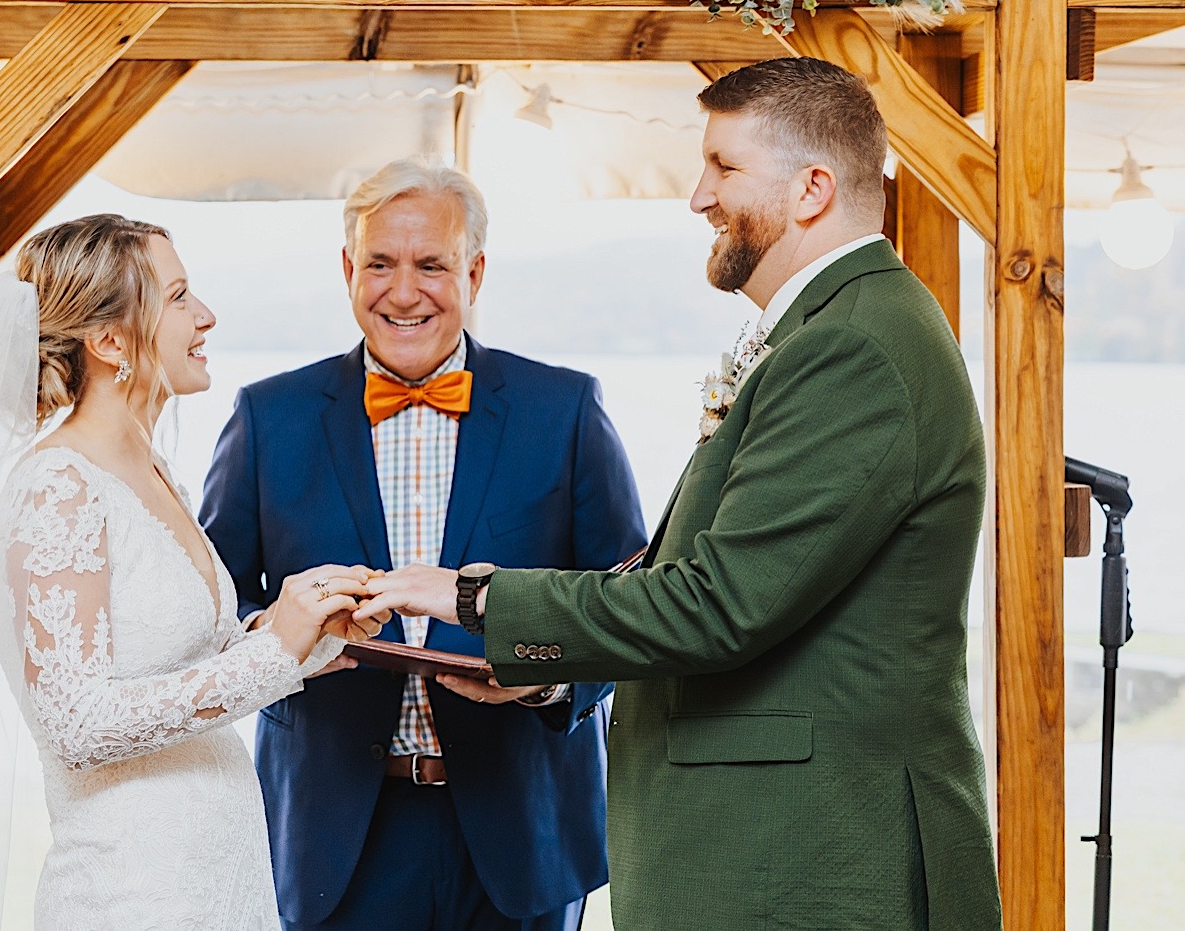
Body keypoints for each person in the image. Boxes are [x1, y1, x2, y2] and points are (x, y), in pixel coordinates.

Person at [355, 59, 1004, 930]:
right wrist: (544, 667)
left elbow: (718, 603)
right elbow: (701, 573)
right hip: (773, 850)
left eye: (724, 168)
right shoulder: (828, 330)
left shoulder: (854, 347)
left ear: (812, 189)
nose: (699, 197)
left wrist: (473, 595)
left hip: (812, 859)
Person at [0, 214, 389, 929]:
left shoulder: (150, 470)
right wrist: (275, 650)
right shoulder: (57, 490)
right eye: (177, 297)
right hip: (133, 892)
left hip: (218, 877)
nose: (206, 316)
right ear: (109, 342)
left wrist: (310, 633)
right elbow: (77, 725)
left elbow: (180, 663)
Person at [200, 158, 646, 931]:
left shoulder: (565, 409)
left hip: (522, 835)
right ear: (348, 269)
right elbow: (215, 602)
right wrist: (282, 636)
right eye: (380, 263)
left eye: (431, 265)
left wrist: (544, 682)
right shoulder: (268, 416)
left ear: (474, 272)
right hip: (330, 832)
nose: (404, 292)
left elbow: (629, 601)